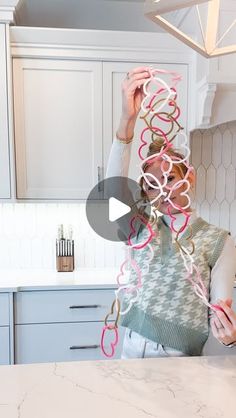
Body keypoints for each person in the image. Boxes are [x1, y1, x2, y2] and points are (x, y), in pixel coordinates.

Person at [106, 66, 236, 358]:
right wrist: (127, 119)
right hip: (131, 350)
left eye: (171, 179)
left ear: (189, 178)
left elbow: (222, 320)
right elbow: (113, 193)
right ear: (145, 192)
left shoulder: (219, 242)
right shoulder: (140, 227)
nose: (164, 190)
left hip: (178, 361)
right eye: (153, 185)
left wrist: (230, 338)